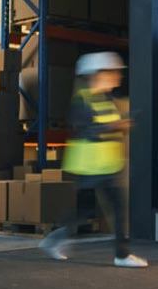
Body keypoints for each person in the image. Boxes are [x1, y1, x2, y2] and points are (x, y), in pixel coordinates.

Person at [39, 52, 148, 268]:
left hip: (107, 165)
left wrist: (121, 128)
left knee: (88, 210)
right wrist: (116, 126)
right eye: (113, 72)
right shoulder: (82, 101)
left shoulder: (107, 100)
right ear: (98, 74)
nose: (117, 76)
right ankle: (121, 255)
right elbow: (86, 130)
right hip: (90, 166)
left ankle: (56, 239)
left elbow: (108, 130)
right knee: (110, 209)